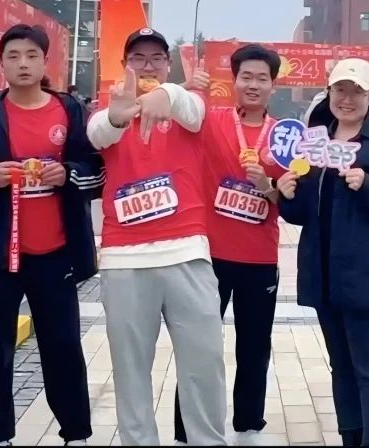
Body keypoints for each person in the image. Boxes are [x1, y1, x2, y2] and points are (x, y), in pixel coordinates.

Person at [0, 24, 101, 446]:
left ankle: (76, 433)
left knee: (63, 345)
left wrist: (67, 174)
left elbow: (97, 171)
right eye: (14, 56)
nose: (23, 64)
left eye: (32, 55)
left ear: (45, 62)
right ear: (1, 63)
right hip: (0, 254)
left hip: (56, 251)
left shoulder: (70, 111)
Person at [86, 28, 225, 446]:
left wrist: (169, 93)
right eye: (138, 58)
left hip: (186, 254)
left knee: (204, 367)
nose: (147, 66)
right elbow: (98, 133)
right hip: (125, 260)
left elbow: (194, 110)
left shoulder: (184, 105)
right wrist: (119, 115)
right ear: (124, 64)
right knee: (131, 373)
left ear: (168, 64)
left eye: (156, 58)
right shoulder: (108, 108)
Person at [278, 58, 369, 447]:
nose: (347, 98)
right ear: (328, 93)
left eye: (356, 91)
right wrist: (288, 195)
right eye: (340, 90)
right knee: (340, 366)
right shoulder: (316, 142)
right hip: (325, 277)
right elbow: (304, 213)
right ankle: (350, 438)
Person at [173, 43, 286, 445]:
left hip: (259, 257)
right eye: (246, 77)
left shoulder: (284, 135)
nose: (253, 85)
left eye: (262, 78)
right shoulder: (212, 119)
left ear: (273, 85)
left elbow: (293, 198)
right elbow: (177, 114)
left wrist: (268, 186)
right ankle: (186, 430)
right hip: (209, 256)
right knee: (199, 347)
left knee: (254, 347)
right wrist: (187, 87)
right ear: (234, 81)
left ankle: (249, 425)